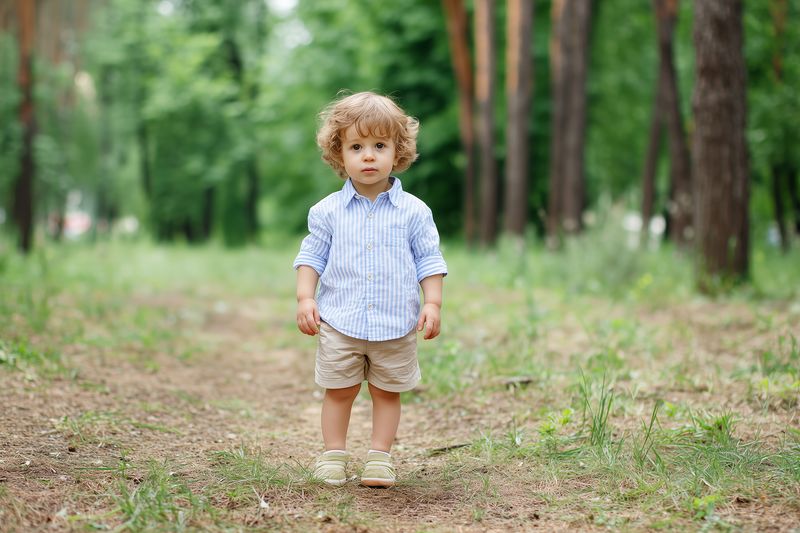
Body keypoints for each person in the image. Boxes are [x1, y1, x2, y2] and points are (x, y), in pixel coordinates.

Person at [293, 91, 447, 488]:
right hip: (340, 322)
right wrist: (305, 296)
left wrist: (432, 302)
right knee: (339, 391)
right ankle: (333, 455)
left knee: (386, 393)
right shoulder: (326, 211)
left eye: (379, 146)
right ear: (338, 154)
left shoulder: (415, 211)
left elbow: (429, 259)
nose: (368, 156)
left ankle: (380, 458)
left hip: (395, 324)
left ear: (397, 153)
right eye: (357, 146)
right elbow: (312, 256)